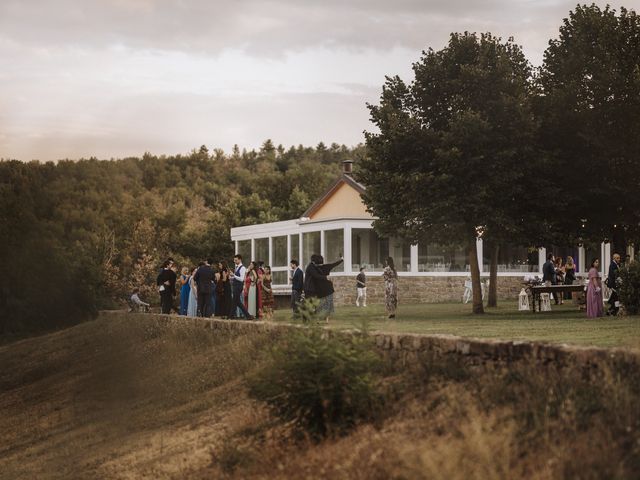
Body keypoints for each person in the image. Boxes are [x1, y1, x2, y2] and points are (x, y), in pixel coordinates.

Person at [304, 254, 343, 321]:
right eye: (318, 264)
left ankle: (315, 319)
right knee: (310, 305)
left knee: (316, 305)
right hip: (309, 289)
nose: (320, 265)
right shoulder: (310, 267)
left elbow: (333, 264)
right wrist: (326, 277)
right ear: (314, 261)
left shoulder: (315, 266)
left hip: (314, 289)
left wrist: (341, 260)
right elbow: (316, 275)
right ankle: (307, 319)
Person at [230, 254, 254, 320]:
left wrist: (233, 275)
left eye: (236, 260)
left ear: (240, 260)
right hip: (235, 286)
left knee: (235, 301)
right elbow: (237, 277)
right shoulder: (237, 267)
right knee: (237, 302)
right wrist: (231, 277)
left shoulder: (243, 268)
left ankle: (231, 316)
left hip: (238, 287)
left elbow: (241, 279)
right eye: (234, 260)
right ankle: (248, 316)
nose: (235, 261)